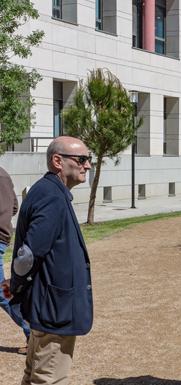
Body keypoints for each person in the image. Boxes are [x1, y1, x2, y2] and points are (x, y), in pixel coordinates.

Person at [4, 136, 93, 385]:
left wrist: (17, 283)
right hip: (54, 309)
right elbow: (29, 255)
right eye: (82, 159)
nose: (87, 165)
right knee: (48, 379)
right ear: (58, 161)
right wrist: (18, 286)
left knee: (35, 376)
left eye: (89, 159)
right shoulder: (51, 195)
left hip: (49, 305)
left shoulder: (49, 190)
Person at [0, 166, 30, 354]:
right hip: (2, 238)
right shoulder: (3, 173)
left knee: (2, 291)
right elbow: (14, 207)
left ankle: (33, 330)